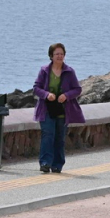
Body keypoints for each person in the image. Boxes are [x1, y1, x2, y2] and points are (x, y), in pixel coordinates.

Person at [33, 42, 84, 174]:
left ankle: (57, 165)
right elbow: (36, 88)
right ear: (51, 56)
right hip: (46, 109)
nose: (59, 56)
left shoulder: (69, 71)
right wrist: (46, 94)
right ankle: (45, 163)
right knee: (47, 135)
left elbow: (77, 89)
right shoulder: (44, 70)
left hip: (62, 110)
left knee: (60, 138)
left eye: (62, 54)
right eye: (57, 54)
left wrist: (66, 96)